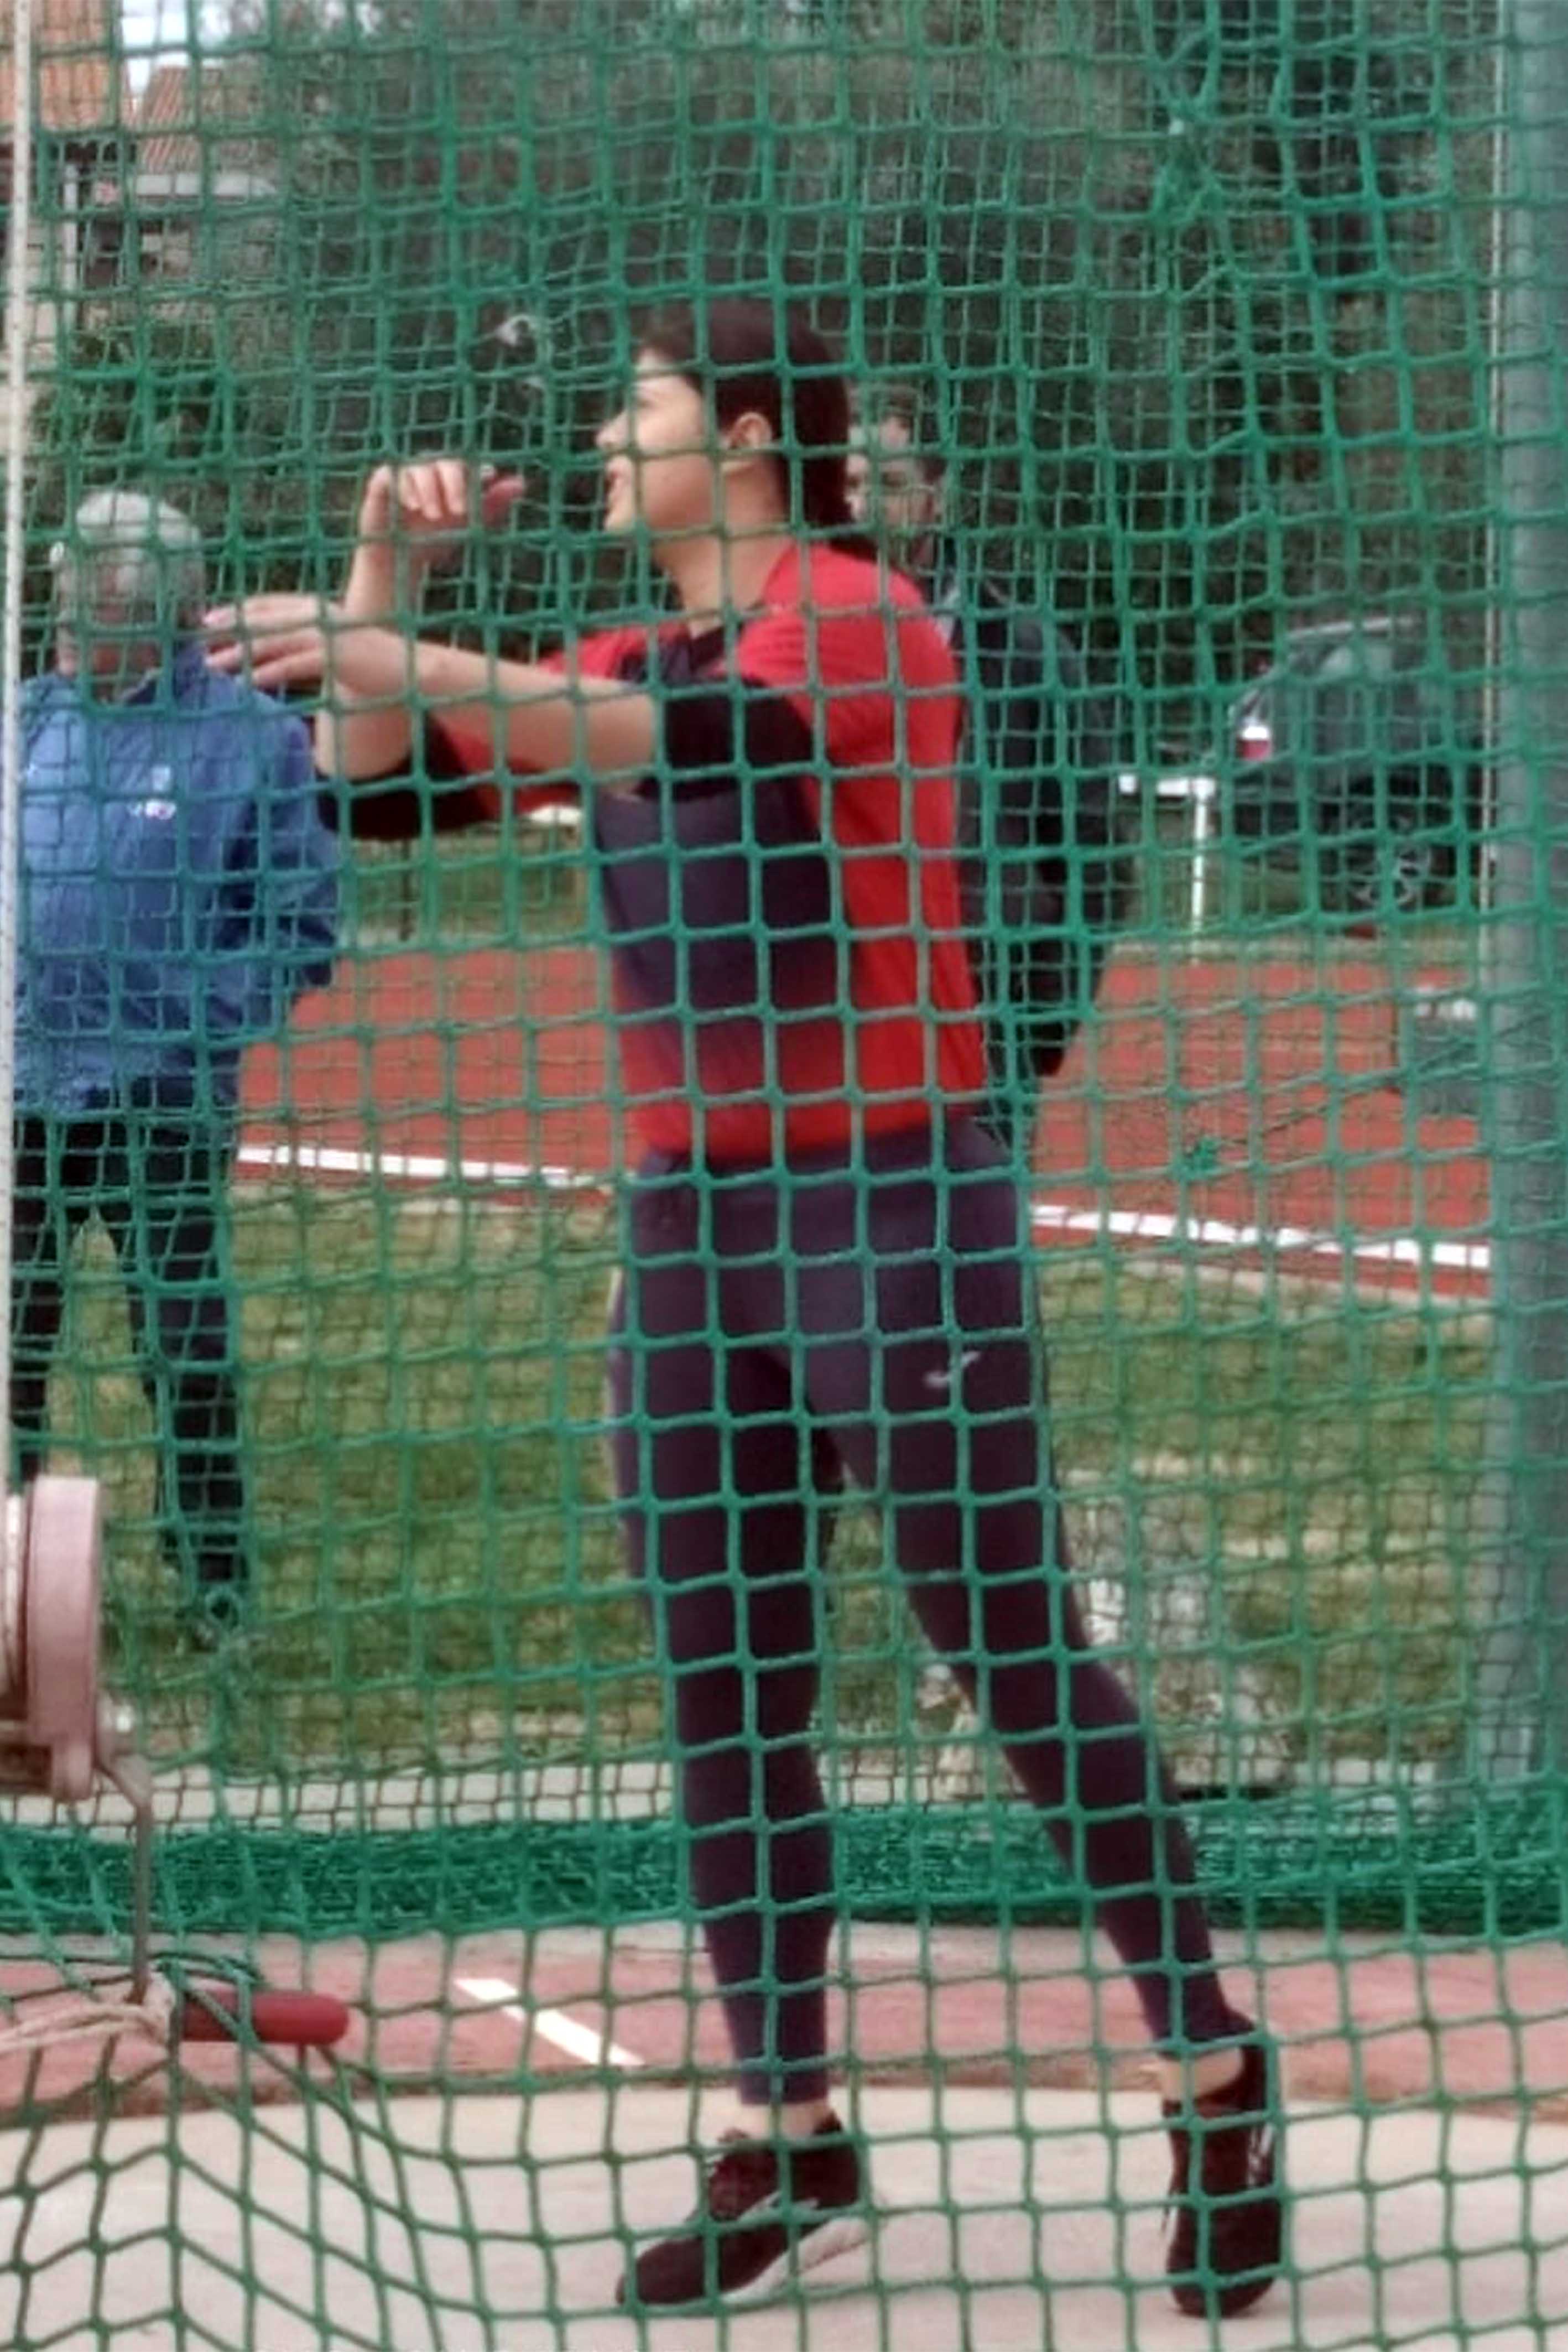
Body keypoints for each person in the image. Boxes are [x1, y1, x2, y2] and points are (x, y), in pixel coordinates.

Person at [205, 298, 1283, 2322]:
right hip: (697, 1226)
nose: (608, 445)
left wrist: (394, 656)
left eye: (642, 412)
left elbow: (701, 748)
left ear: (753, 445)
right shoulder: (626, 652)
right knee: (724, 1685)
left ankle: (1215, 2076)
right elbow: (374, 795)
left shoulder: (860, 620)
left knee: (1008, 1654)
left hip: (895, 1203)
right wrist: (380, 572)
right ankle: (790, 2131)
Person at [13, 490, 340, 1641]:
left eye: (86, 604)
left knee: (183, 1346)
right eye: (61, 600)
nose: (63, 625)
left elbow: (302, 928)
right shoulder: (26, 720)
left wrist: (188, 1016)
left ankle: (215, 1584)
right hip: (21, 1093)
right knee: (10, 1340)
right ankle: (9, 1564)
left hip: (161, 1096)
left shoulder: (253, 737)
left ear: (157, 609)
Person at [846, 383, 1131, 1159]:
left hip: (981, 1028)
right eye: (848, 484)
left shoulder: (1026, 653)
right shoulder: (780, 640)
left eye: (888, 484)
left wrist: (1042, 1023)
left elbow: (1095, 850)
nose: (863, 506)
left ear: (937, 498)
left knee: (969, 1231)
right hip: (822, 1026)